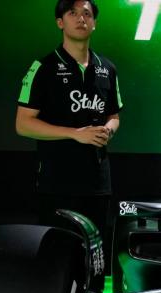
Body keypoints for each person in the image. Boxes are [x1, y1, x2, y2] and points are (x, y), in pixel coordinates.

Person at [16, 0, 122, 241]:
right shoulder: (42, 67)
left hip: (98, 182)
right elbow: (23, 124)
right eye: (72, 13)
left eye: (87, 13)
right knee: (58, 255)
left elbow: (114, 116)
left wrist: (108, 130)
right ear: (60, 22)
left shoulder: (108, 68)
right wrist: (74, 133)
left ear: (94, 23)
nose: (81, 18)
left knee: (95, 256)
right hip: (57, 183)